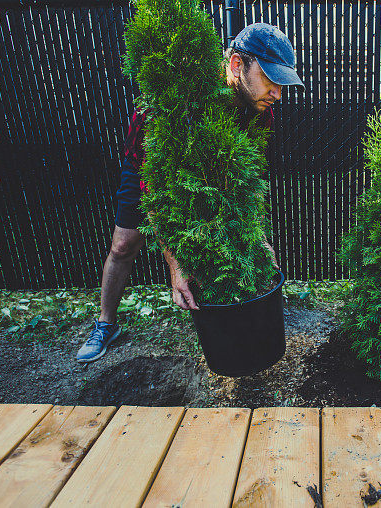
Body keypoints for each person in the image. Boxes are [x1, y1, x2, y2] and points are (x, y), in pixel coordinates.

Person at [76, 23, 305, 362]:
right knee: (124, 245)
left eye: (282, 83)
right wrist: (175, 262)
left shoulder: (260, 114)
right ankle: (105, 323)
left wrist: (255, 235)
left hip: (208, 175)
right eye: (271, 79)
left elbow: (248, 181)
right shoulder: (185, 97)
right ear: (237, 65)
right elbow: (156, 189)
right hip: (149, 166)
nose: (278, 94)